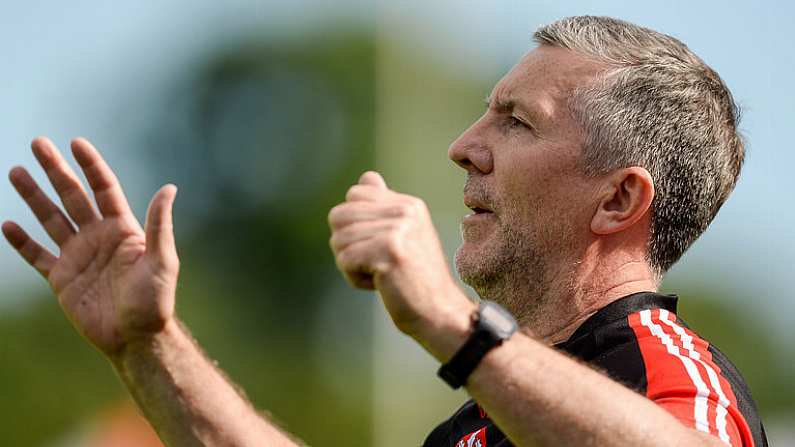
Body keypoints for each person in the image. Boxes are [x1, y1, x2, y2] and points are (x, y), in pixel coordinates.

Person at [2, 15, 767, 447]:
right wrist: (149, 346)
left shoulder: (667, 373)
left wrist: (450, 323)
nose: (464, 145)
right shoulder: (491, 412)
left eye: (516, 122)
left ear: (618, 199)